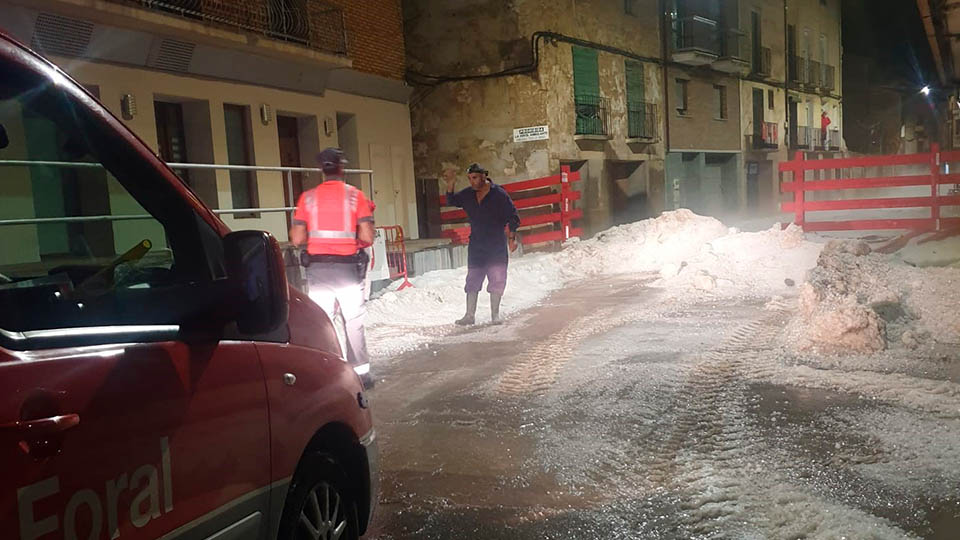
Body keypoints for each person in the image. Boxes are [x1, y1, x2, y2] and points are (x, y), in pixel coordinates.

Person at [290, 147, 375, 388]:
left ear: (321, 169)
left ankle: (324, 372)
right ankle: (361, 374)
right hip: (348, 271)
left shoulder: (307, 198)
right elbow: (367, 236)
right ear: (342, 168)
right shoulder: (355, 196)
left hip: (317, 271)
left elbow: (296, 239)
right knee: (353, 321)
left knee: (321, 322)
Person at [443, 163, 521, 325]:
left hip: (496, 244)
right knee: (473, 278)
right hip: (477, 244)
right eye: (469, 179)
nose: (472, 182)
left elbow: (513, 216)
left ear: (484, 176)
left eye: (475, 178)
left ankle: (495, 315)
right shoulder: (468, 195)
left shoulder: (499, 194)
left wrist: (511, 238)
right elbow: (452, 200)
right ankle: (469, 315)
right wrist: (450, 184)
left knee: (497, 278)